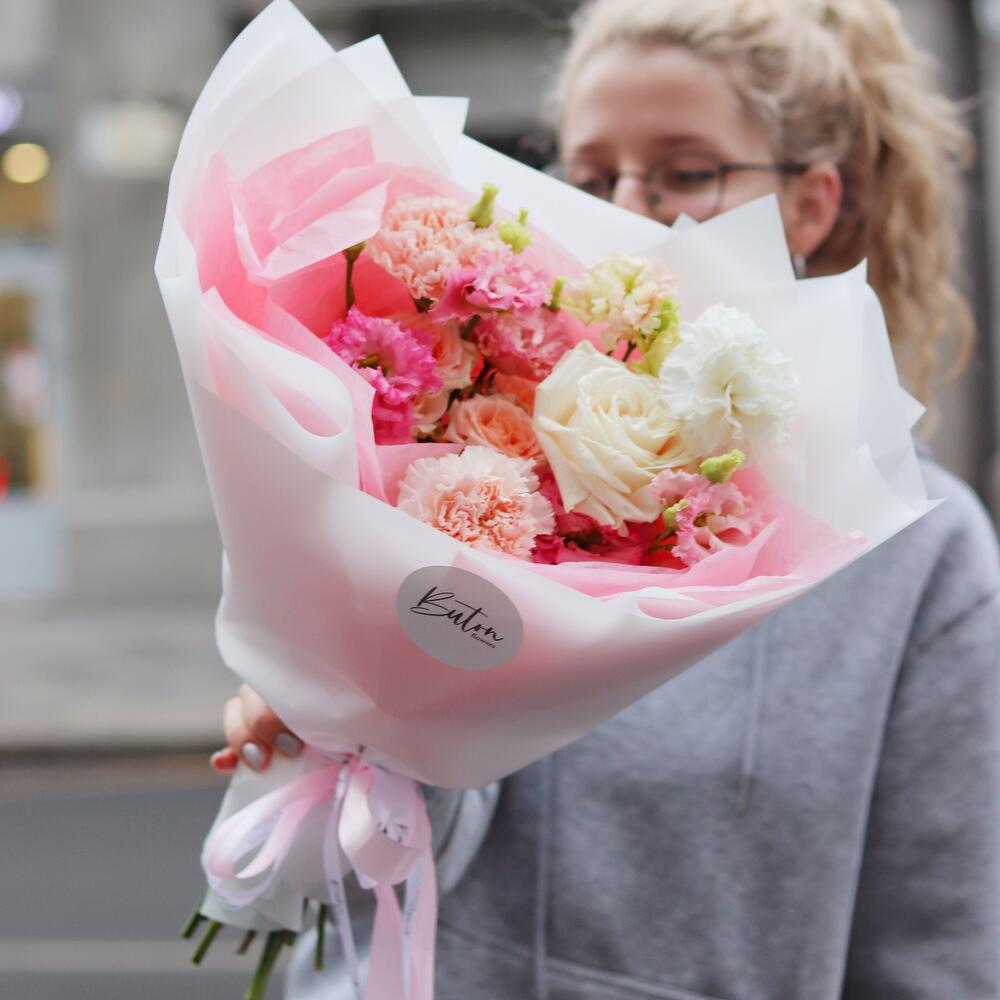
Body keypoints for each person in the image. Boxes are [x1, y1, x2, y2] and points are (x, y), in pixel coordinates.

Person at [213, 1, 1000, 997]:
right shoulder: (480, 436)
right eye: (591, 177)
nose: (629, 209)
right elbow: (394, 858)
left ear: (810, 205)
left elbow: (936, 954)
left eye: (686, 173)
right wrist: (334, 725)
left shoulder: (918, 556)